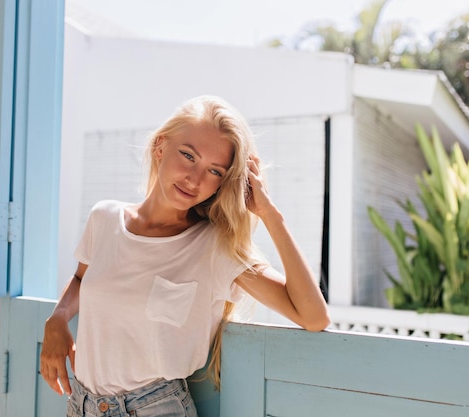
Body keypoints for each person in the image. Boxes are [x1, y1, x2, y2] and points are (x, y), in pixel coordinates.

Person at [40, 95, 330, 417]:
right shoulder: (105, 218)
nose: (195, 179)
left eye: (215, 171)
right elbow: (83, 277)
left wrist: (269, 214)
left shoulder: (214, 248)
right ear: (161, 147)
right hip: (82, 405)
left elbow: (314, 316)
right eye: (188, 155)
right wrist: (57, 319)